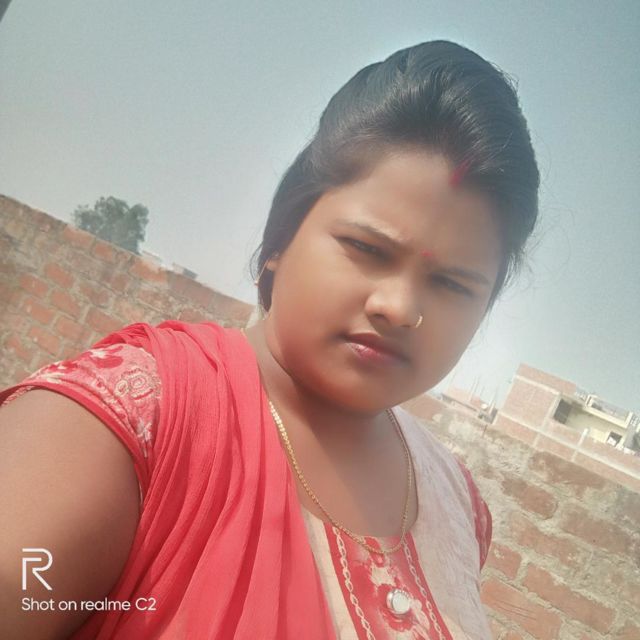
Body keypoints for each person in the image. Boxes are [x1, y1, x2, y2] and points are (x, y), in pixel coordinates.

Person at [0, 40, 539, 639]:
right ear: (284, 235)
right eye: (366, 248)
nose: (399, 307)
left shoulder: (457, 507)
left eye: (453, 284)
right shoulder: (131, 422)